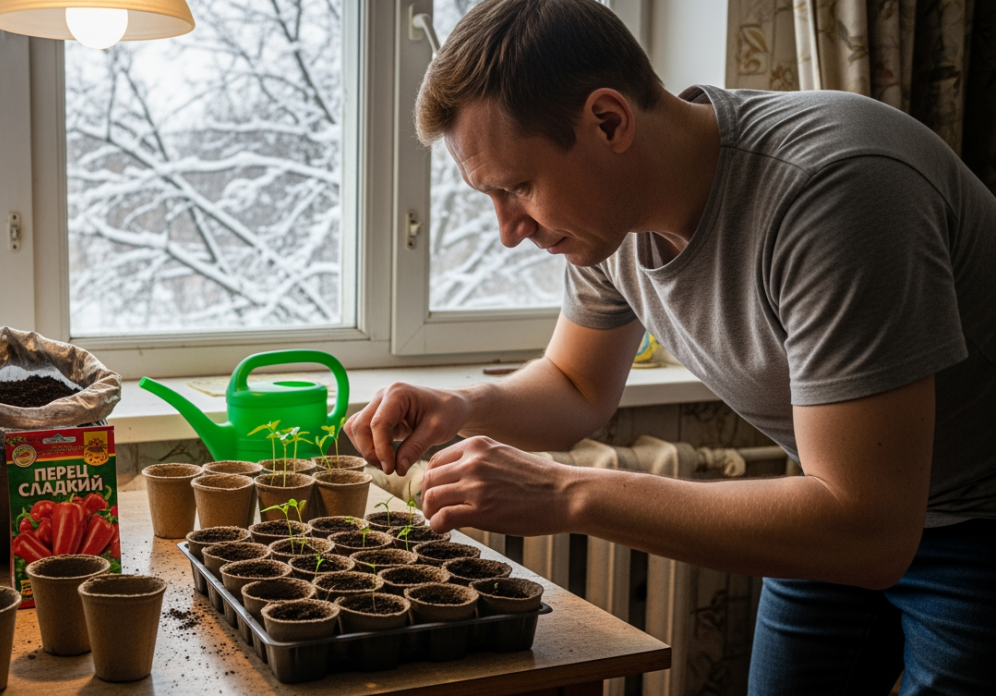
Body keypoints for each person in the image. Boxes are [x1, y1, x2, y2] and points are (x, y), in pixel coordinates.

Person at [344, 1, 996, 693]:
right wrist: (462, 404)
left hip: (970, 516)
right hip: (838, 502)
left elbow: (870, 532)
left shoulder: (834, 191)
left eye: (519, 187)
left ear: (608, 120)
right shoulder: (606, 221)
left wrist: (567, 493)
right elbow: (574, 386)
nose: (510, 231)